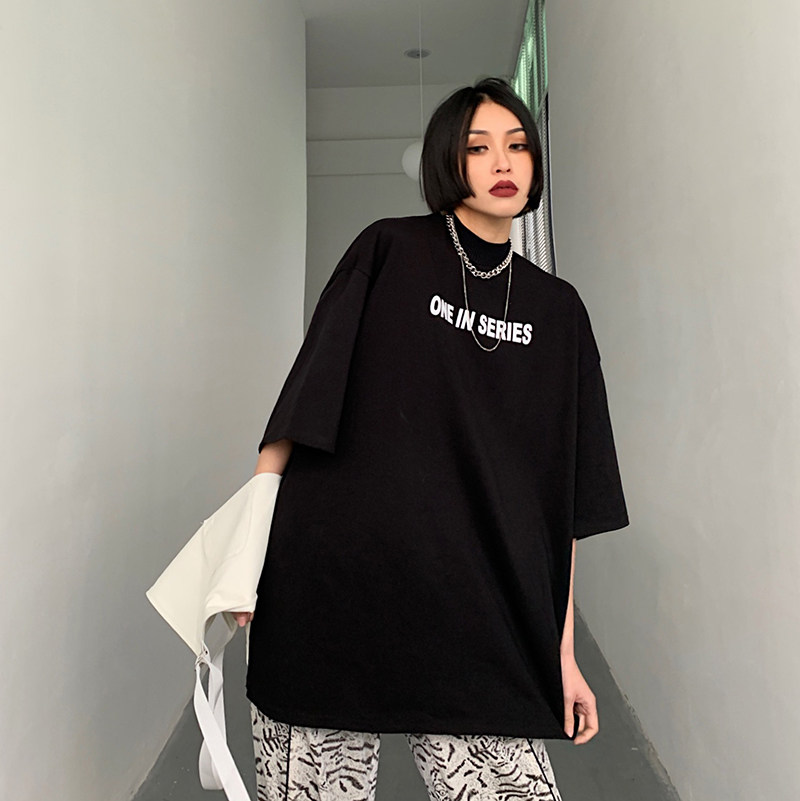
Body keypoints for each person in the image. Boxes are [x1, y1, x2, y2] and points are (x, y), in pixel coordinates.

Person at [235, 77, 629, 801]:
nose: (502, 162)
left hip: (481, 616)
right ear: (448, 159)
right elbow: (301, 408)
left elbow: (564, 497)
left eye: (518, 145)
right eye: (478, 147)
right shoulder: (387, 249)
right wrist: (244, 553)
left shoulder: (560, 312)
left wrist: (561, 653)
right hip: (333, 595)